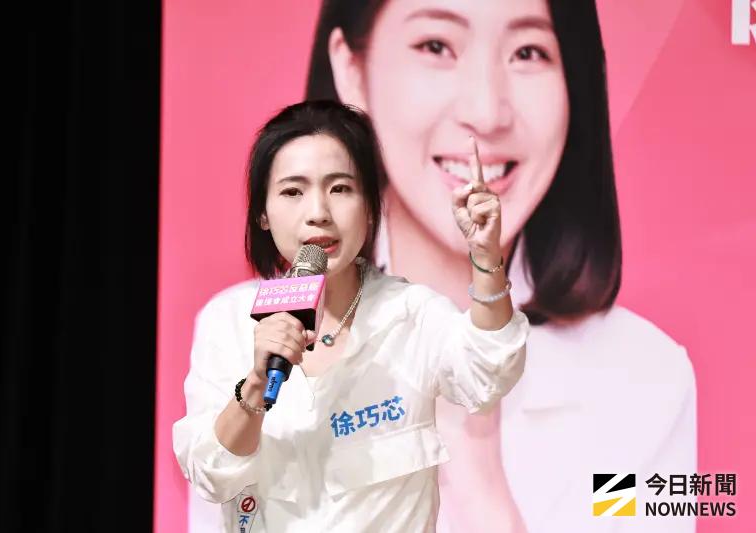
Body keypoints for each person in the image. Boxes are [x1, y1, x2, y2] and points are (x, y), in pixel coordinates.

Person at [303, 0, 697, 531]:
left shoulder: (644, 381)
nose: (488, 113)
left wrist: (476, 470)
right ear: (352, 70)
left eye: (528, 52)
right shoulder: (247, 344)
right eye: (436, 46)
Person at [173, 100, 529, 532]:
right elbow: (210, 472)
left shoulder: (411, 315)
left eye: (340, 189)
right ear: (263, 213)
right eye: (293, 192)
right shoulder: (227, 320)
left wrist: (486, 257)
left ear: (371, 206)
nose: (318, 212)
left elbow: (490, 371)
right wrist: (255, 385)